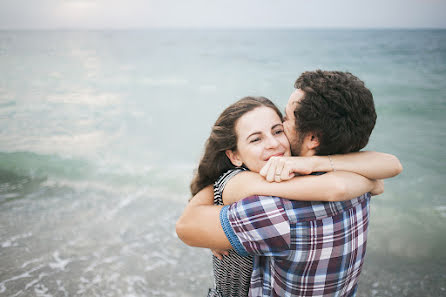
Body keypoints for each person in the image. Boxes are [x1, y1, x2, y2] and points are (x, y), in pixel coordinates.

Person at [177, 70, 403, 297]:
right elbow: (382, 173)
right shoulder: (361, 178)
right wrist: (317, 163)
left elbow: (187, 227)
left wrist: (231, 183)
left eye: (284, 120)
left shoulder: (275, 210)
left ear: (313, 138)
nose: (278, 135)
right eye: (256, 138)